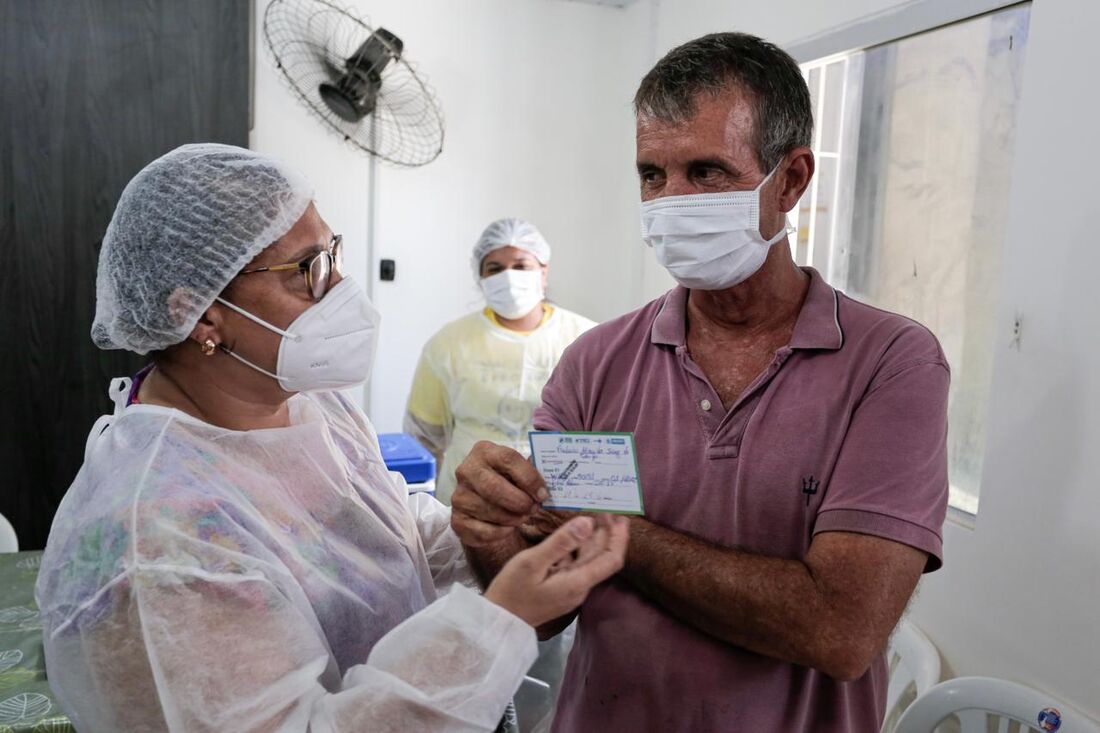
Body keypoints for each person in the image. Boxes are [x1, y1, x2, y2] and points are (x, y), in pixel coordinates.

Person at [448, 33, 951, 732]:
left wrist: (620, 535)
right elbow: (552, 600)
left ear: (793, 179)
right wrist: (488, 531)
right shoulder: (595, 362)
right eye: (652, 175)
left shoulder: (890, 364)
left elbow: (839, 629)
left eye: (706, 171)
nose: (669, 202)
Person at [34, 144, 628, 733]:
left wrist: (486, 529)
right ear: (201, 314)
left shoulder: (313, 408)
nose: (342, 287)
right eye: (308, 268)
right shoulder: (159, 535)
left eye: (333, 252)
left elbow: (383, 534)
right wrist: (498, 622)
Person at [404, 218, 596, 505]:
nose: (509, 277)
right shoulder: (449, 343)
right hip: (469, 496)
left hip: (558, 499)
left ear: (543, 272)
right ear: (480, 277)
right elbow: (423, 438)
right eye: (495, 268)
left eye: (521, 266)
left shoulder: (586, 339)